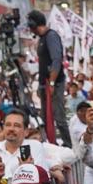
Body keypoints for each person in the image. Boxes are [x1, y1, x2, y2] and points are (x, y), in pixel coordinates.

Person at [28, 9, 69, 142]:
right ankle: (49, 144)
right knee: (45, 117)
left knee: (59, 117)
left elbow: (56, 60)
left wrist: (51, 83)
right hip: (44, 83)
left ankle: (67, 145)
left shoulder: (51, 36)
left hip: (54, 83)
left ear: (34, 24)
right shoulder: (42, 38)